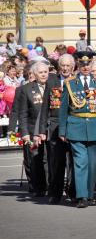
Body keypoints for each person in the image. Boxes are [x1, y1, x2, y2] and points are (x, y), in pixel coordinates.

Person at [58, 51, 96, 208]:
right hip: (76, 127)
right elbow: (63, 109)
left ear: (92, 64)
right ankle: (81, 196)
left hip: (95, 127)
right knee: (81, 162)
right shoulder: (70, 84)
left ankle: (89, 194)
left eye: (88, 64)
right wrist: (62, 130)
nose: (86, 67)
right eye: (82, 64)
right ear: (78, 65)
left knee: (93, 163)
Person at [38, 54, 76, 204]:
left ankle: (73, 192)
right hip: (55, 127)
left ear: (72, 67)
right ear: (59, 66)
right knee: (56, 163)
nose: (65, 68)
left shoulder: (77, 80)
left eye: (68, 66)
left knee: (73, 162)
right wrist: (42, 130)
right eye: (63, 65)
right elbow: (45, 106)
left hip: (74, 126)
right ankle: (55, 193)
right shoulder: (52, 80)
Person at [20, 61, 50, 197]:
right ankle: (39, 187)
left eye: (45, 72)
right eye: (41, 72)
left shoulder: (54, 87)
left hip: (51, 130)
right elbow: (23, 113)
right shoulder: (26, 89)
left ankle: (51, 186)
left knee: (50, 159)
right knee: (36, 160)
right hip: (34, 130)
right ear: (35, 74)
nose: (44, 75)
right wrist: (25, 133)